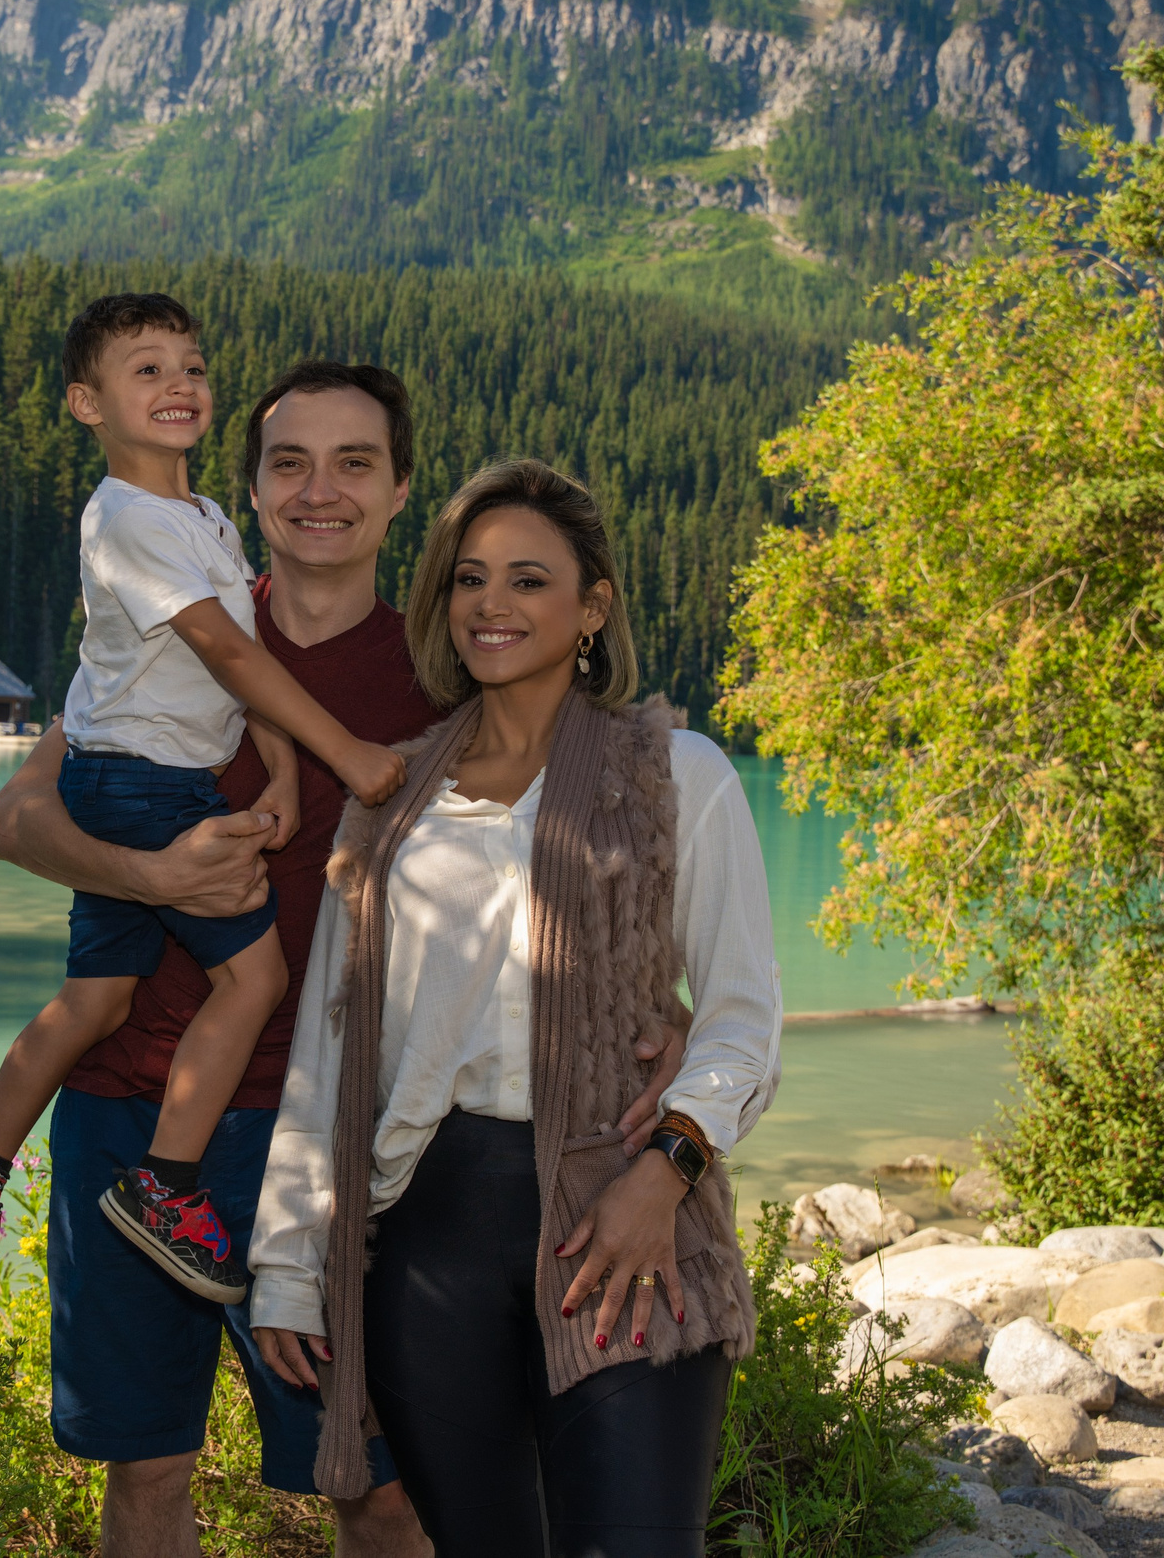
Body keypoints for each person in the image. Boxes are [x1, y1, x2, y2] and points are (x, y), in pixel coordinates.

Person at [0, 366, 698, 1557]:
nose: (320, 491)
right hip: (127, 1113)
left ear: (400, 487)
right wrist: (156, 878)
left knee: (374, 1485)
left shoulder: (444, 674)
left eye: (353, 462)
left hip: (342, 1140)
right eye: (288, 463)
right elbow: (17, 820)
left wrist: (662, 1005)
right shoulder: (176, 619)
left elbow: (590, 838)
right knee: (147, 1474)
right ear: (251, 489)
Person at [248, 459, 784, 1557]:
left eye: (529, 580)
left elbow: (741, 1017)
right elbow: (331, 1049)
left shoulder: (675, 773)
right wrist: (289, 1267)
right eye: (470, 579)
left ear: (591, 607)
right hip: (431, 1232)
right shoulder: (393, 800)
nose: (492, 605)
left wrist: (666, 1167)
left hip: (619, 1212)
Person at [0, 298, 409, 1324]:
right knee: (254, 976)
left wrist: (274, 773)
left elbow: (237, 666)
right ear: (86, 404)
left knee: (92, 996)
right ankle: (162, 1183)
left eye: (191, 364)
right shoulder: (131, 523)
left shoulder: (204, 531)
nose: (179, 381)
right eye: (147, 371)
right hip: (140, 797)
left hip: (322, 1117)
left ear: (401, 489)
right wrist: (334, 760)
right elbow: (227, 659)